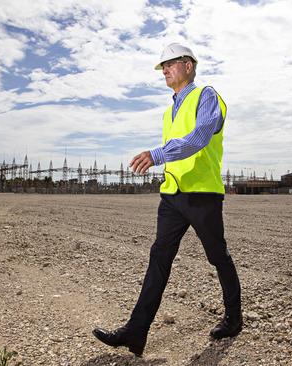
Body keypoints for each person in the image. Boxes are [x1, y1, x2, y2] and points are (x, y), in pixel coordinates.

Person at [92, 43, 242, 357]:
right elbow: (178, 149)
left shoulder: (207, 96)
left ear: (188, 65)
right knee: (158, 260)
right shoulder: (168, 112)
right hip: (173, 196)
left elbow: (200, 137)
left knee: (218, 256)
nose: (164, 70)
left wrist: (157, 154)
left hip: (202, 194)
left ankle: (234, 318)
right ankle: (136, 332)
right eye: (162, 67)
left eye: (169, 64)